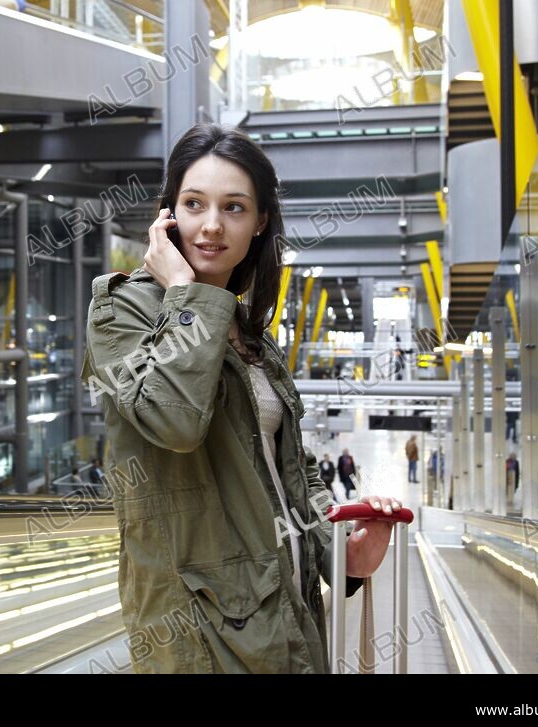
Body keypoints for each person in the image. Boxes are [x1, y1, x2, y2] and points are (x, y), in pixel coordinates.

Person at [80, 123, 400, 674]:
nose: (211, 225)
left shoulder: (250, 335)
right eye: (194, 203)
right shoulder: (120, 312)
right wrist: (188, 296)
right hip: (198, 628)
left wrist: (342, 551)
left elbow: (287, 474)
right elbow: (175, 422)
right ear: (167, 216)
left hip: (288, 611)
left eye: (233, 207)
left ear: (260, 222)